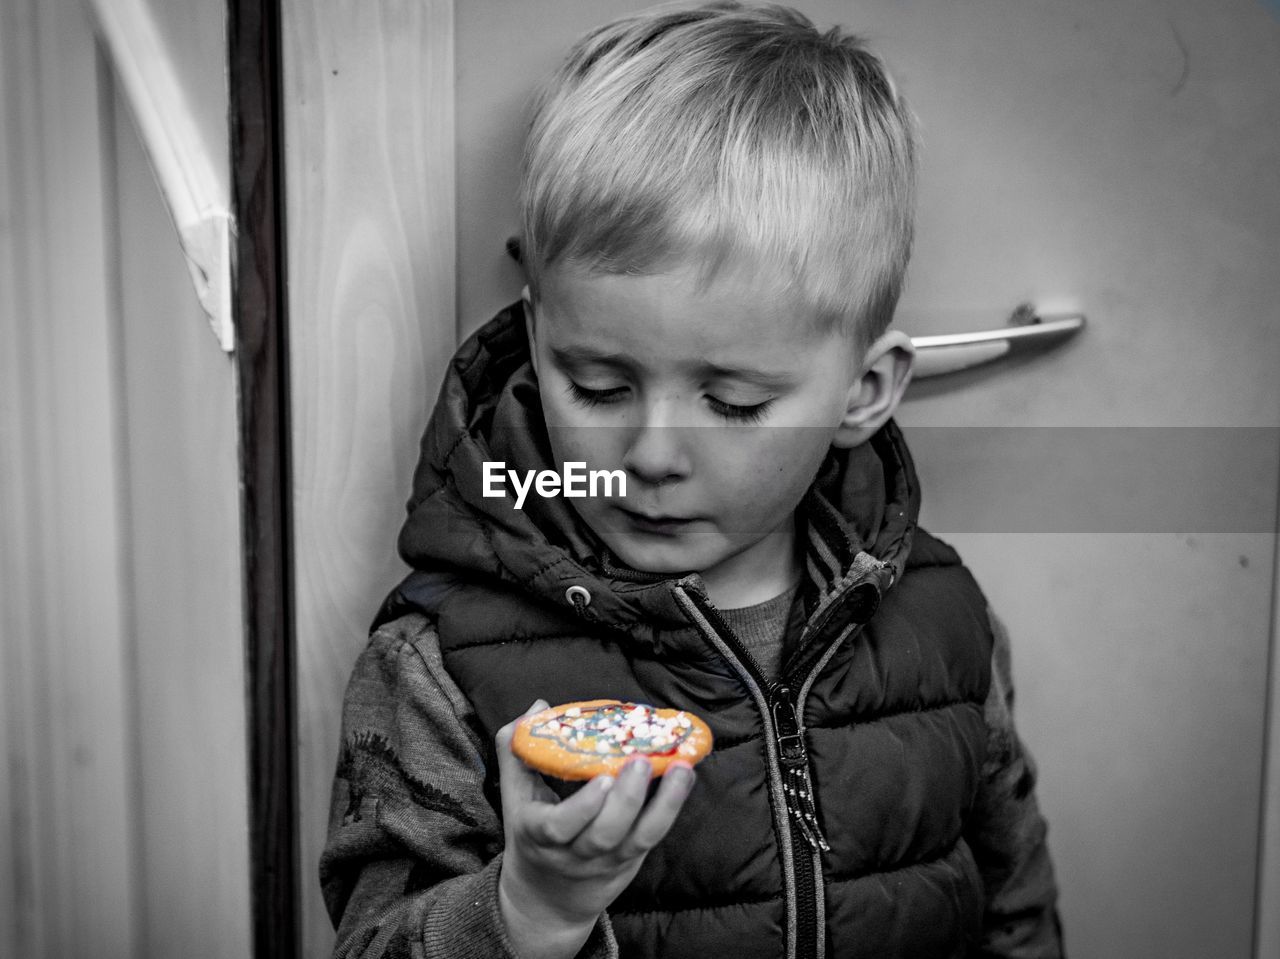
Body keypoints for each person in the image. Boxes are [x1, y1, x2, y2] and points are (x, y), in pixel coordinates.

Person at [320, 3, 1063, 957]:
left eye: (736, 401)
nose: (654, 452)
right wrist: (529, 910)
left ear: (864, 390)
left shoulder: (944, 620)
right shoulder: (439, 664)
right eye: (597, 383)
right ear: (534, 335)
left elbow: (1016, 903)